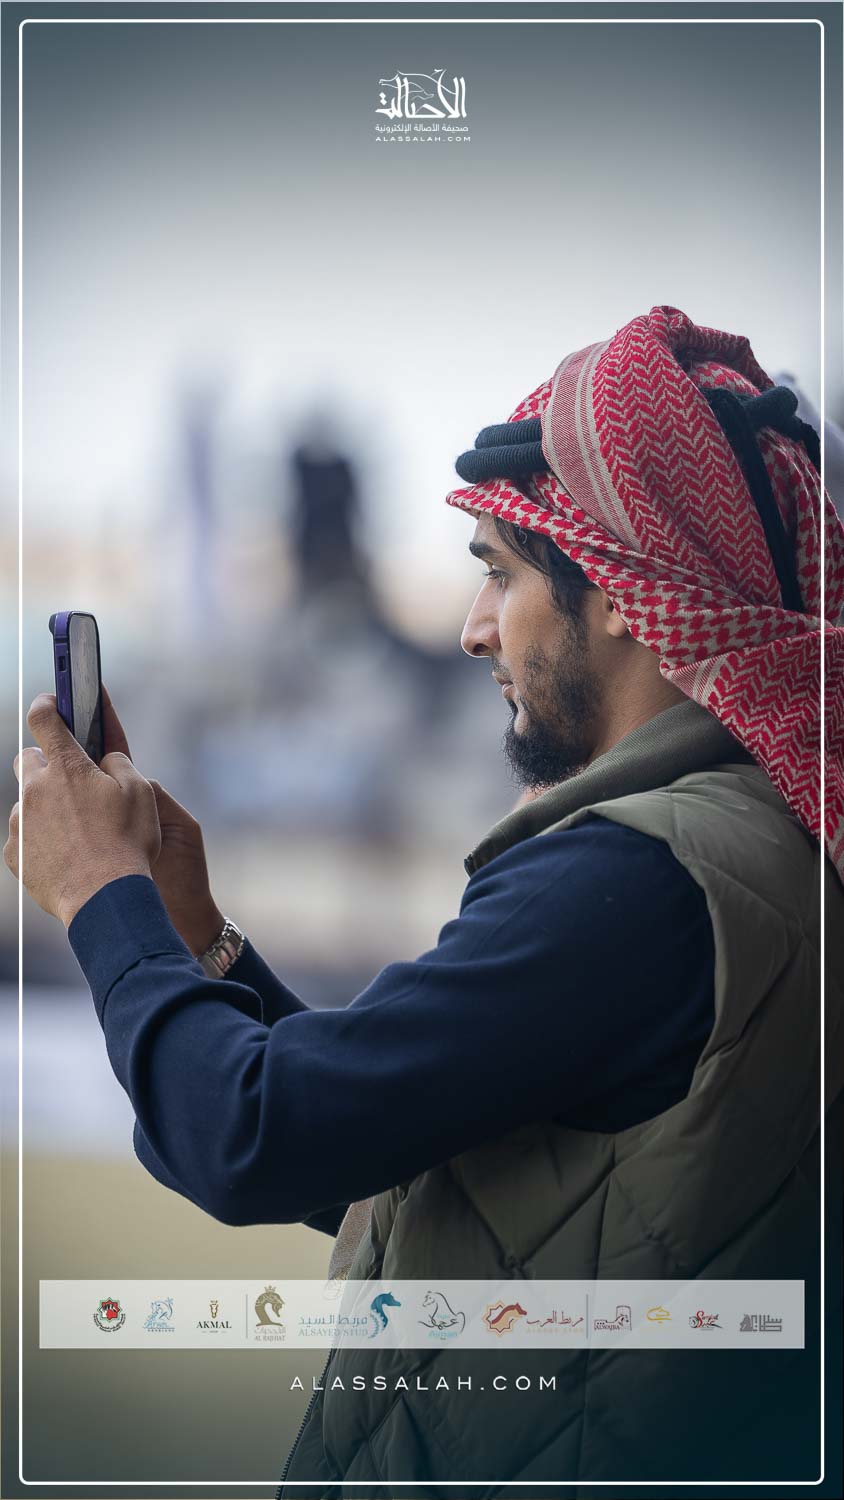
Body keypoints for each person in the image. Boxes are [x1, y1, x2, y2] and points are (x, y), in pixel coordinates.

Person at [7, 305, 844, 1493]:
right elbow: (390, 1154)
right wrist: (194, 934)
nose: (470, 630)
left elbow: (248, 1140)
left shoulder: (638, 874)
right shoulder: (753, 835)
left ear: (621, 587)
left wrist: (100, 895)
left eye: (499, 574)